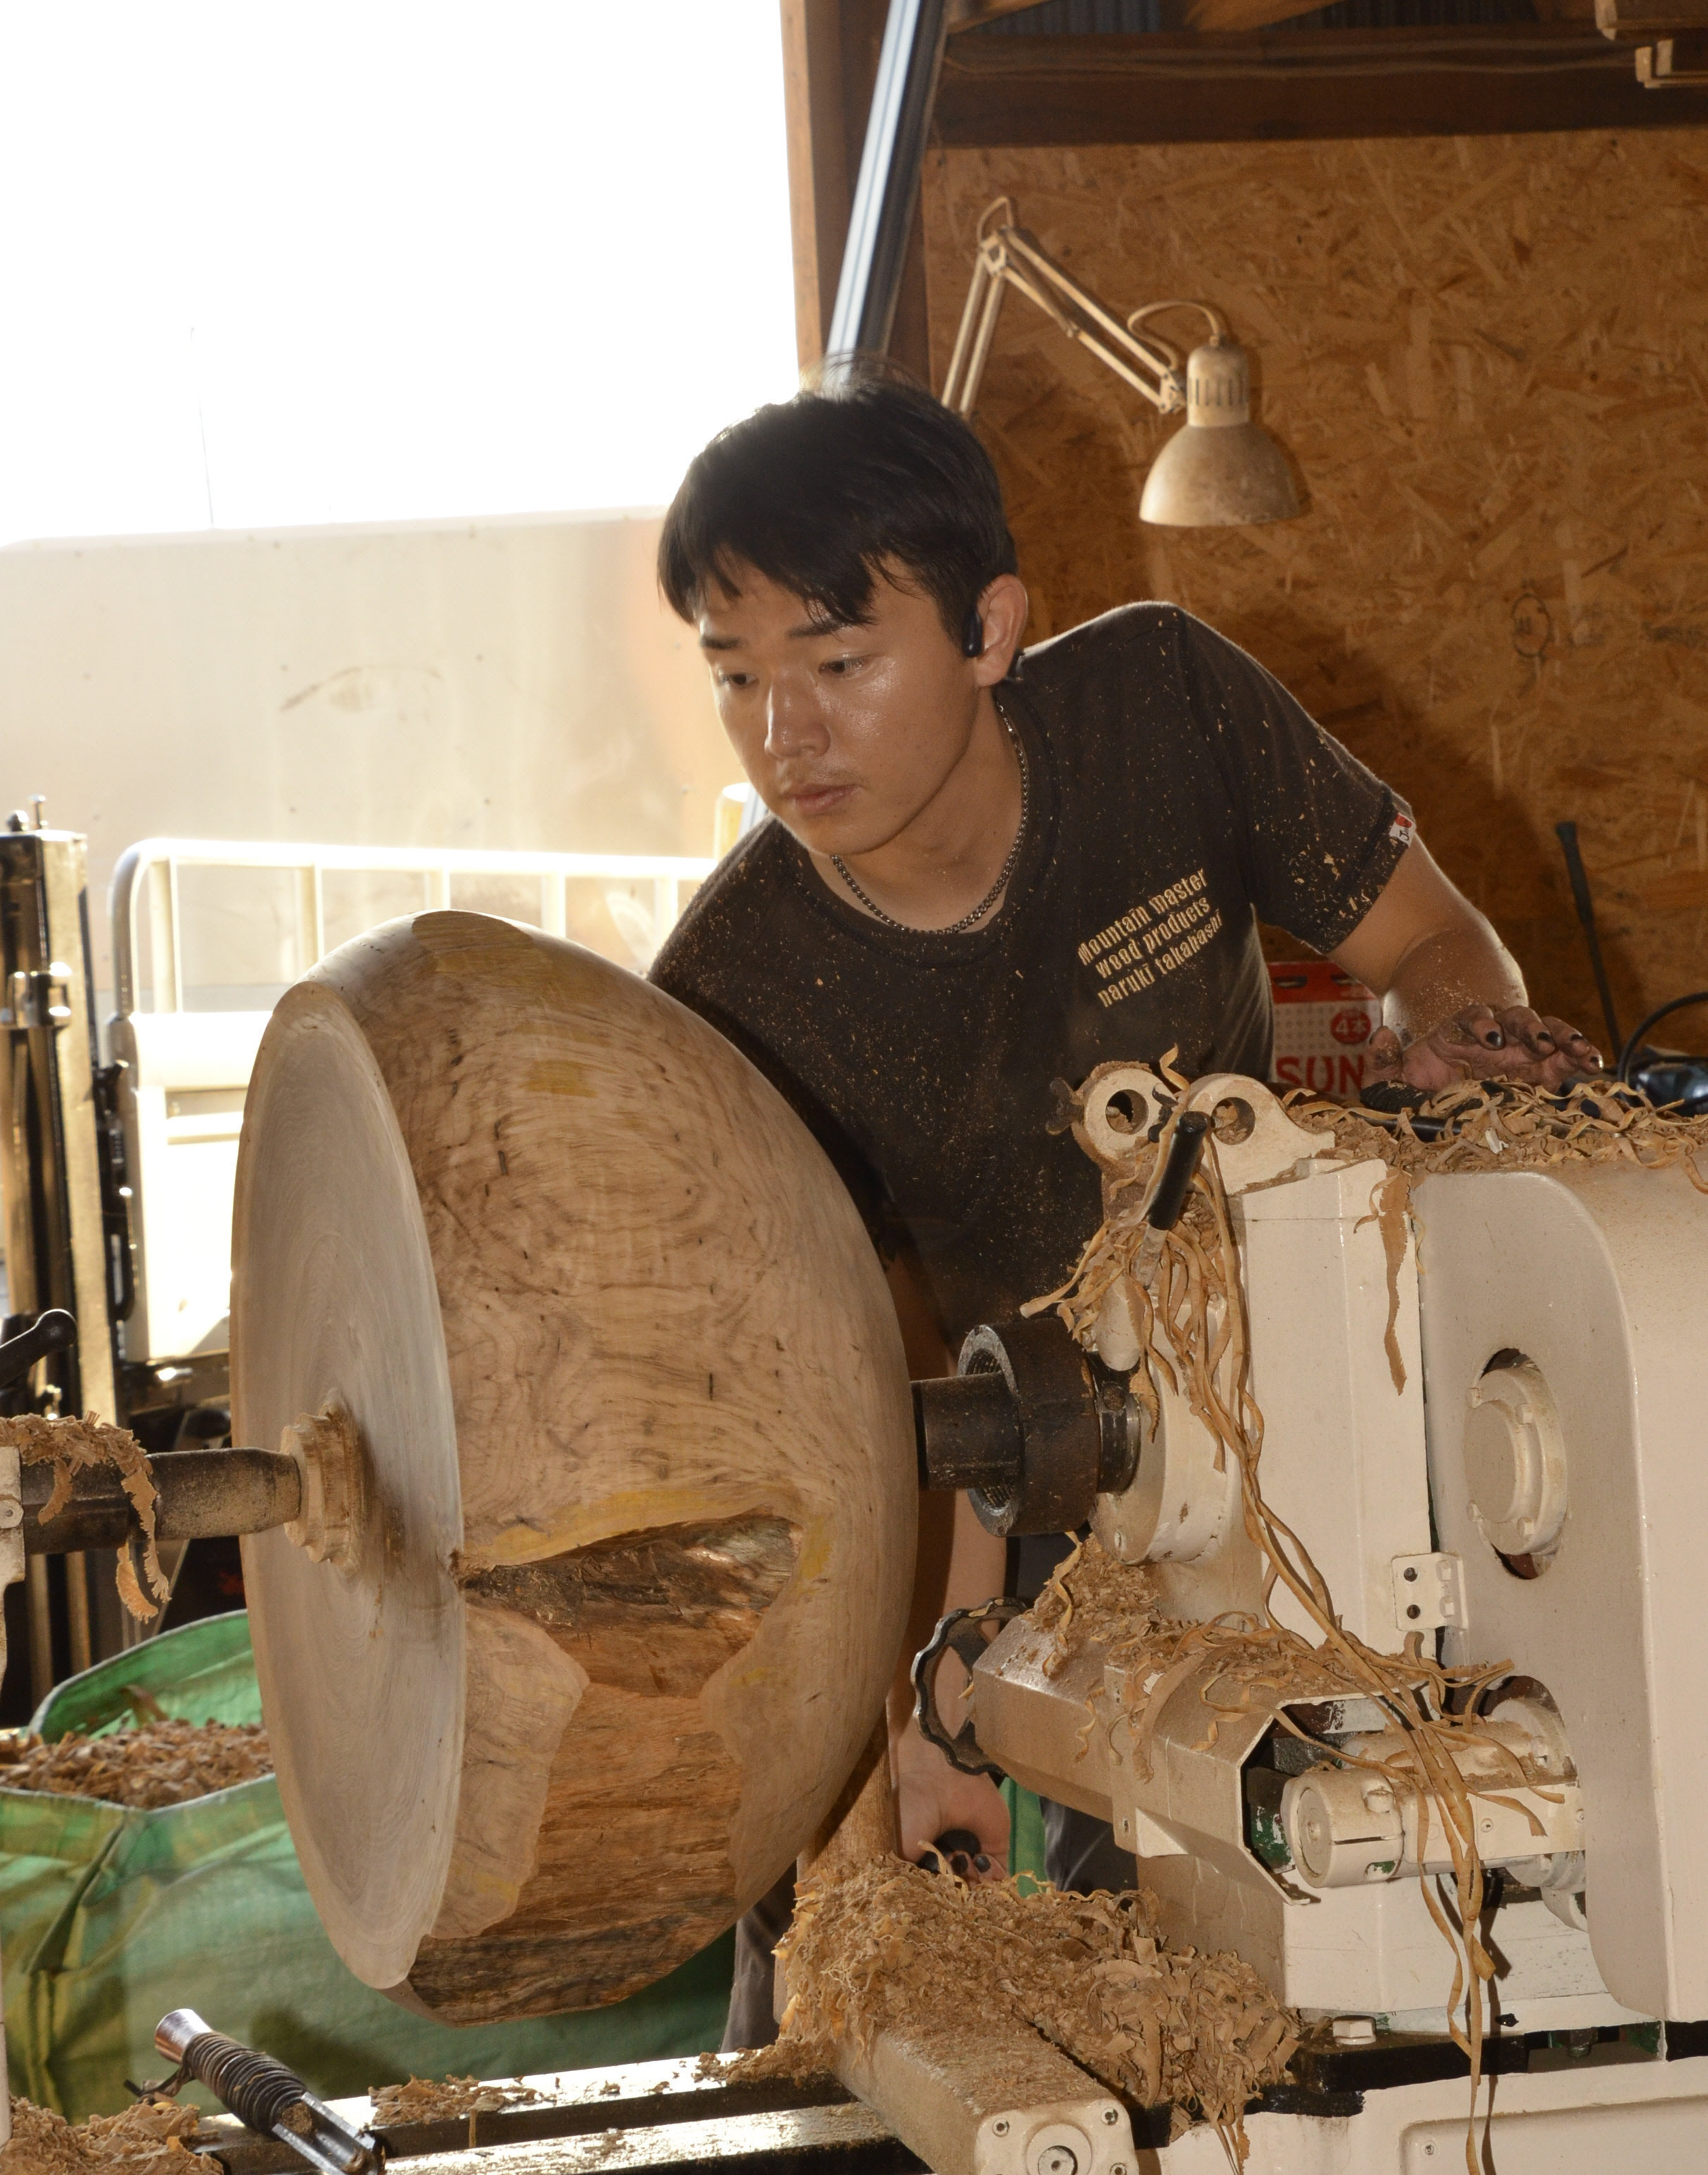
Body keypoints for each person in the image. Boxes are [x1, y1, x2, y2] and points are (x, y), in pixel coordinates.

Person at [648, 369, 1600, 2047]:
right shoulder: (739, 989)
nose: (783, 737)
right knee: (875, 2001)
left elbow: (1437, 945)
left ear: (990, 630)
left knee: (1279, 1933)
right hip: (959, 1480)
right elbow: (863, 1399)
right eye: (737, 680)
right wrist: (924, 1713)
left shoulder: (1164, 705)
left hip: (1290, 1407)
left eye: (838, 663)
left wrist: (1452, 1032)